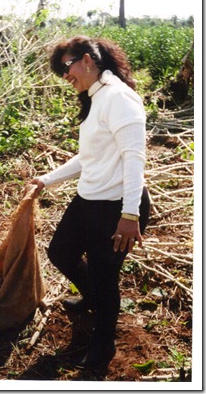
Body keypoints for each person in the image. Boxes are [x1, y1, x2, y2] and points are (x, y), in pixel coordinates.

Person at [30, 36, 150, 373]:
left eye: (67, 70)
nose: (67, 79)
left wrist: (130, 215)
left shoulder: (120, 99)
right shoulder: (96, 97)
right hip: (89, 198)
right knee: (60, 252)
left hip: (117, 208)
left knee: (105, 274)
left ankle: (103, 342)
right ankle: (95, 298)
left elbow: (134, 160)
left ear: (87, 60)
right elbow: (89, 157)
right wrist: (46, 180)